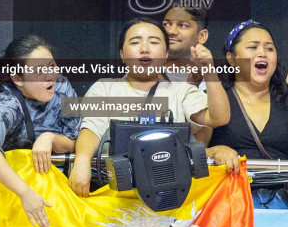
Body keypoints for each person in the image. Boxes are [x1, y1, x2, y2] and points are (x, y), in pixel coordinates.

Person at [74, 19, 225, 196]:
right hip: (115, 196)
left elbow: (218, 118)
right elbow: (91, 129)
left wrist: (209, 71)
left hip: (171, 196)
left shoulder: (181, 91)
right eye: (135, 42)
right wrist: (82, 160)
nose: (144, 48)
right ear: (122, 54)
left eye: (154, 42)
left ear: (166, 54)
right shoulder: (105, 88)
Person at [207, 20, 288, 208]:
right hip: (230, 205)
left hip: (284, 209)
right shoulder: (217, 99)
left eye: (269, 49)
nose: (262, 53)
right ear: (231, 58)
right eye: (252, 47)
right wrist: (215, 151)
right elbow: (191, 151)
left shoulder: (287, 100)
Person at [0, 35, 81, 227]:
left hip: (60, 192)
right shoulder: (7, 104)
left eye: (51, 66)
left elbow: (77, 140)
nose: (50, 76)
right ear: (17, 79)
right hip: (13, 195)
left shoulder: (63, 87)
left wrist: (51, 139)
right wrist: (25, 193)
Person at [161, 2, 211, 84]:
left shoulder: (216, 80)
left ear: (202, 36)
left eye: (183, 25)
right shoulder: (141, 71)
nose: (171, 31)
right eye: (166, 24)